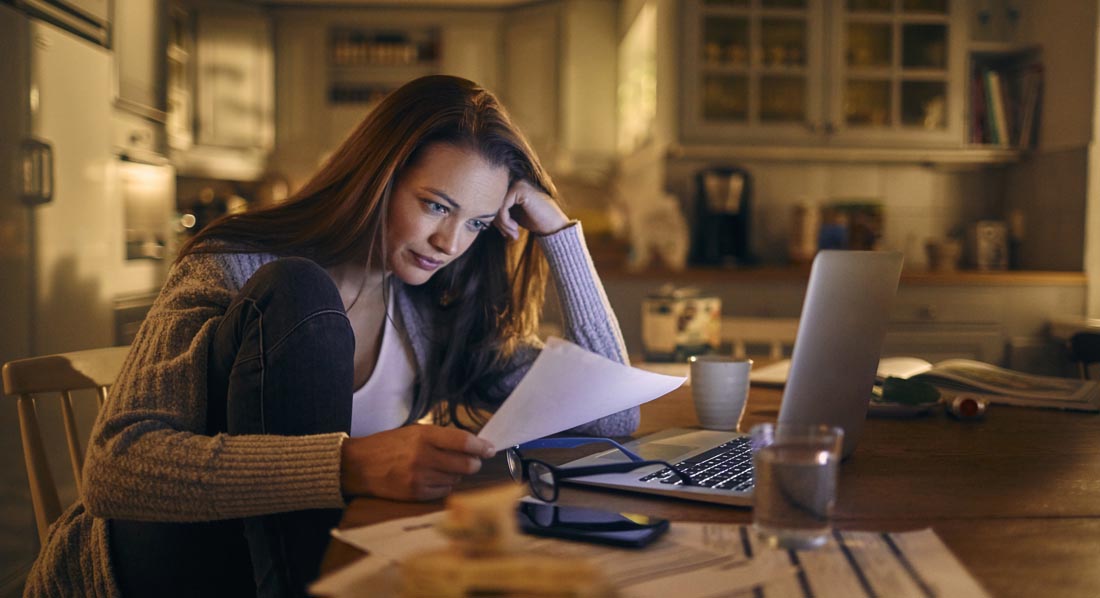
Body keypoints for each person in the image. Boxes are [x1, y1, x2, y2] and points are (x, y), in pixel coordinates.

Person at [24, 75, 636, 597]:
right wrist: (348, 465)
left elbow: (613, 415)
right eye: (435, 205)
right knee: (299, 291)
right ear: (380, 178)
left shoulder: (434, 312)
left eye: (477, 222)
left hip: (296, 570)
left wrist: (559, 233)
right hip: (153, 567)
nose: (450, 244)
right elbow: (114, 471)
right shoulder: (237, 265)